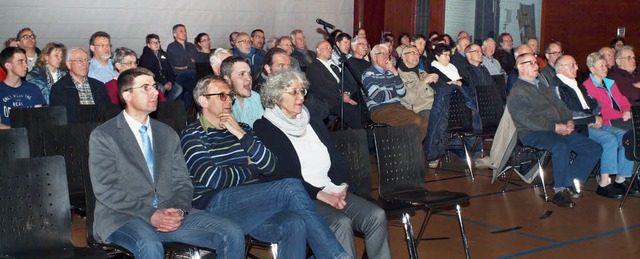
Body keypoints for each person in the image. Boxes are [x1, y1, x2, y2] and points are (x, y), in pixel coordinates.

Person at [180, 75, 350, 259]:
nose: (229, 100)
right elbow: (213, 178)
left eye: (230, 95)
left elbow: (269, 166)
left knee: (294, 222)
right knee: (290, 186)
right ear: (203, 100)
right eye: (222, 95)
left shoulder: (243, 128)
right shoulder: (192, 135)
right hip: (217, 204)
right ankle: (336, 256)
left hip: (254, 202)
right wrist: (252, 168)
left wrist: (239, 133)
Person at [88, 67, 245, 258]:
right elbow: (107, 189)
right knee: (149, 244)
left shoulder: (167, 133)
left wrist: (178, 210)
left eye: (154, 86)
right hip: (123, 217)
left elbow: (182, 181)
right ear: (126, 95)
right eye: (145, 88)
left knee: (231, 232)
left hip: (170, 212)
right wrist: (151, 214)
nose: (155, 92)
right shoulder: (105, 135)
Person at [254, 69, 390, 259]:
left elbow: (336, 159)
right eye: (293, 92)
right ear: (276, 96)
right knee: (341, 223)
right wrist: (321, 195)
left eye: (302, 91)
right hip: (301, 198)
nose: (300, 96)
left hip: (332, 188)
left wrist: (342, 185)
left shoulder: (312, 121)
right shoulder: (265, 128)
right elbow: (284, 176)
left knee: (376, 216)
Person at [507, 53, 602, 208]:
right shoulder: (518, 91)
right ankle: (559, 191)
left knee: (593, 148)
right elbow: (528, 121)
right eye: (530, 63)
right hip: (532, 133)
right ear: (520, 67)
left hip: (555, 128)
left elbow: (561, 106)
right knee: (561, 145)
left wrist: (568, 121)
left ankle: (568, 182)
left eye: (536, 62)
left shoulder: (540, 85)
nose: (536, 66)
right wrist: (556, 127)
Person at [554, 54, 635, 199]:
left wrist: (595, 115)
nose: (577, 68)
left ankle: (621, 178)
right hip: (579, 126)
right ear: (561, 68)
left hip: (592, 121)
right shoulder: (559, 86)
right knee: (609, 139)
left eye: (576, 64)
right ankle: (604, 183)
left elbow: (595, 103)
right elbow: (566, 113)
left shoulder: (577, 84)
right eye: (572, 65)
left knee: (626, 136)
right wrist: (592, 117)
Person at [362, 44, 428, 140]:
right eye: (382, 54)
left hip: (398, 107)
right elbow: (378, 97)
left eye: (388, 54)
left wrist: (395, 73)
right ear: (374, 57)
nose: (386, 57)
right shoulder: (368, 74)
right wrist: (394, 92)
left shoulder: (390, 73)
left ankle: (410, 150)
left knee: (425, 122)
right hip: (380, 110)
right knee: (415, 121)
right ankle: (408, 150)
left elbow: (402, 92)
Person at [305, 40, 360, 128]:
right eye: (326, 48)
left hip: (340, 99)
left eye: (330, 48)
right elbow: (319, 89)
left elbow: (342, 83)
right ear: (318, 51)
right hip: (328, 101)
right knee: (352, 114)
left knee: (359, 106)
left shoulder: (334, 67)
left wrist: (346, 93)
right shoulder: (313, 67)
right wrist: (340, 96)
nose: (329, 50)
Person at [50, 48, 110, 122]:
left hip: (99, 128)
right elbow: (59, 119)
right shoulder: (59, 88)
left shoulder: (98, 86)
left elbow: (108, 112)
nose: (84, 64)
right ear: (69, 64)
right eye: (79, 61)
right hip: (74, 130)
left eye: (86, 60)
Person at [582, 52, 632, 131]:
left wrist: (627, 111)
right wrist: (622, 115)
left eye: (605, 65)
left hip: (623, 116)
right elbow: (601, 110)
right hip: (607, 121)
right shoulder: (588, 86)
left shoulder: (610, 82)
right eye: (601, 66)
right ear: (592, 69)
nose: (605, 69)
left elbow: (622, 100)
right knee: (634, 126)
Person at [0, 47, 46, 129]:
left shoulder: (33, 89)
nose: (25, 65)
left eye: (25, 61)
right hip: (6, 139)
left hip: (31, 138)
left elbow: (39, 120)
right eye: (20, 62)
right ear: (8, 65)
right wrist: (18, 132)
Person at [139, 33, 183, 101]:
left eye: (158, 42)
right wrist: (164, 83)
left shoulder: (163, 54)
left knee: (178, 88)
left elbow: (169, 69)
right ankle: (160, 106)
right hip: (153, 80)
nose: (156, 44)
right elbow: (152, 73)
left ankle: (166, 105)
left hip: (165, 80)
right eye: (153, 42)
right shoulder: (145, 57)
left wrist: (170, 81)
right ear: (148, 45)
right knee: (161, 88)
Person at [397, 45, 437, 120]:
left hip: (434, 105)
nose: (416, 56)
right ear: (404, 56)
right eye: (413, 53)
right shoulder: (398, 76)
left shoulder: (422, 73)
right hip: (418, 110)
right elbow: (409, 99)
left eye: (417, 54)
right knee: (435, 115)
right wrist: (424, 83)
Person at [221, 56, 263, 126]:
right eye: (242, 74)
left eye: (249, 74)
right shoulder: (217, 102)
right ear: (227, 80)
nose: (248, 78)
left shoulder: (255, 97)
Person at [167, 24, 199, 109]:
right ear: (175, 34)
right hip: (180, 75)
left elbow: (197, 62)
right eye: (181, 31)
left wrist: (186, 65)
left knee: (188, 95)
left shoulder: (191, 46)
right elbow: (177, 63)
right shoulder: (171, 47)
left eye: (185, 31)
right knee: (197, 90)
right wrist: (190, 63)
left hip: (194, 73)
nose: (184, 33)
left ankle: (185, 116)